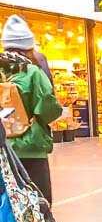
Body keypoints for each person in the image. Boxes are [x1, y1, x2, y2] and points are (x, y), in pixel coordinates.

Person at [1, 14, 62, 204]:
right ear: (29, 46)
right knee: (39, 201)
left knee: (8, 204)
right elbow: (49, 109)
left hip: (3, 149)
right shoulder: (33, 72)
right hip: (32, 148)